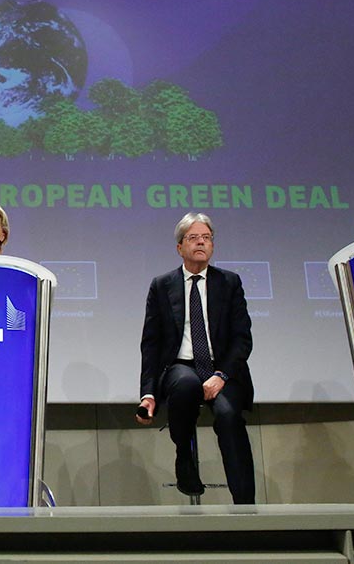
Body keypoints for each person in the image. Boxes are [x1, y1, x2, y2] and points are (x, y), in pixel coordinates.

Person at [136, 212, 256, 504]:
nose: (201, 242)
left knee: (229, 416)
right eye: (193, 238)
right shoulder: (162, 285)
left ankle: (246, 504)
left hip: (222, 371)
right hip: (180, 366)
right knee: (186, 384)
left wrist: (221, 376)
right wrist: (148, 393)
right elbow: (150, 344)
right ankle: (184, 456)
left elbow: (243, 338)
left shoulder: (229, 283)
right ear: (180, 247)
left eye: (206, 238)